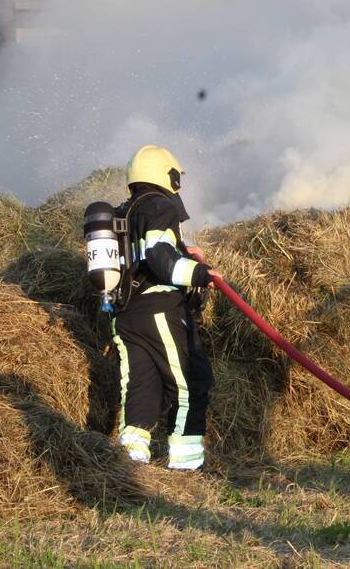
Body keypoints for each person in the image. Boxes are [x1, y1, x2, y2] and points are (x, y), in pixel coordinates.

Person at [111, 144, 218, 471]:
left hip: (126, 316)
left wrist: (185, 249)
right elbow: (159, 257)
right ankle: (187, 468)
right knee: (192, 383)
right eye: (176, 177)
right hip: (159, 309)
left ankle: (130, 467)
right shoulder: (160, 207)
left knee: (142, 387)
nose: (178, 185)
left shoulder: (124, 212)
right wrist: (200, 273)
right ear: (163, 174)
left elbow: (144, 253)